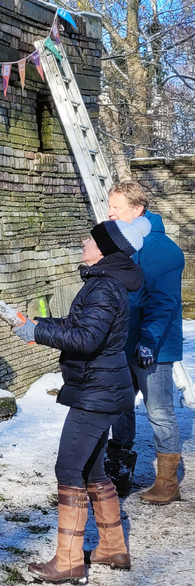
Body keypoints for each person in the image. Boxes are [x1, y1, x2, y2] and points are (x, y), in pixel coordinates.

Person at [13, 217, 149, 582]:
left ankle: (69, 561)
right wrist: (36, 324)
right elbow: (80, 326)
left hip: (96, 392)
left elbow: (87, 340)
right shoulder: (105, 283)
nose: (83, 243)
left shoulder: (104, 287)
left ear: (104, 250)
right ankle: (112, 548)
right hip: (100, 387)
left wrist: (38, 331)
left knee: (68, 469)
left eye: (89, 239)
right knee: (93, 470)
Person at [106, 181, 186, 502]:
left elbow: (162, 303)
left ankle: (167, 484)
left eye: (116, 208)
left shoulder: (161, 249)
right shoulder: (124, 242)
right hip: (125, 343)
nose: (109, 213)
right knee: (120, 407)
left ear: (137, 210)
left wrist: (149, 343)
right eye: (108, 206)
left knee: (159, 412)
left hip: (154, 347)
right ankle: (118, 476)